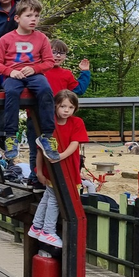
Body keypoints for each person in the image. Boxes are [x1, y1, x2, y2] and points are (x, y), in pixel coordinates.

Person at [0, 0, 59, 162]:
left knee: (45, 90)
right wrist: (10, 72)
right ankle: (11, 136)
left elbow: (49, 61)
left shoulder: (41, 38)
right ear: (17, 18)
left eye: (36, 15)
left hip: (34, 74)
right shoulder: (6, 39)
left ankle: (48, 135)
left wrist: (35, 68)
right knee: (12, 92)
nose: (33, 19)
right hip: (13, 75)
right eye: (29, 15)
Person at [27, 39, 92, 188]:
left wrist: (85, 72)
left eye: (61, 53)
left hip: (56, 120)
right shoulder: (37, 71)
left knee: (54, 148)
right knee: (35, 148)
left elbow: (78, 90)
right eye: (53, 52)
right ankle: (36, 176)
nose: (57, 56)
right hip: (36, 117)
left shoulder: (66, 74)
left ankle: (54, 177)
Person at [28, 90, 89, 247]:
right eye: (63, 106)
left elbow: (75, 143)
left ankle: (36, 226)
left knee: (48, 197)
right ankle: (47, 230)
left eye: (70, 107)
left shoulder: (76, 122)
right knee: (54, 198)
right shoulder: (50, 124)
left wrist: (59, 156)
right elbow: (41, 149)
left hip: (66, 166)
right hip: (58, 171)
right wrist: (39, 171)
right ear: (55, 106)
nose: (66, 110)